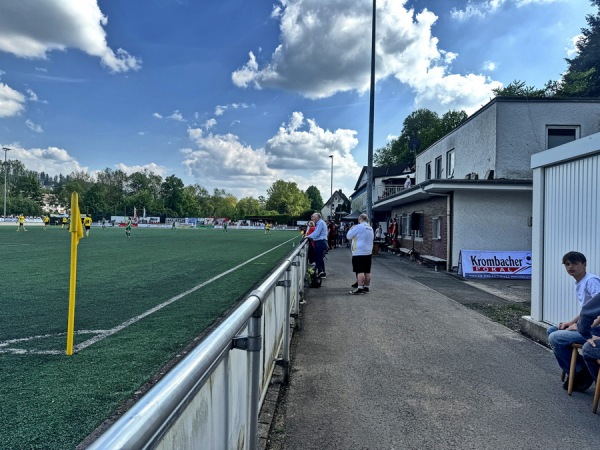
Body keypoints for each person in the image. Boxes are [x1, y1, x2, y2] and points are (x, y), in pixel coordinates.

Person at [547, 251, 600, 392]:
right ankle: (581, 370)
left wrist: (582, 327)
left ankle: (580, 371)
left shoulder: (591, 281)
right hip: (588, 326)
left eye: (575, 263)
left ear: (584, 264)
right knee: (552, 330)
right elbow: (586, 310)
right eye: (567, 264)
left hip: (595, 330)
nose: (571, 266)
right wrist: (570, 322)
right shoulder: (580, 281)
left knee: (555, 337)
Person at [346, 213, 374, 295]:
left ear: (359, 219)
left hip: (359, 252)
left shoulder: (358, 226)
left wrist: (351, 229)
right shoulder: (370, 228)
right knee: (367, 271)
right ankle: (366, 287)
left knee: (360, 271)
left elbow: (348, 236)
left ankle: (360, 288)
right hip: (368, 251)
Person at [577, 293, 600, 383]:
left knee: (588, 348)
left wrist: (586, 334)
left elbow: (587, 312)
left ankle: (580, 376)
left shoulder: (591, 280)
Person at [305, 213, 328, 278]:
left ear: (318, 217)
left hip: (320, 242)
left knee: (318, 258)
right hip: (321, 242)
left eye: (313, 217)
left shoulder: (320, 223)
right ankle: (322, 273)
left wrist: (307, 236)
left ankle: (321, 271)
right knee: (319, 258)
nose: (312, 219)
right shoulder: (320, 223)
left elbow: (316, 234)